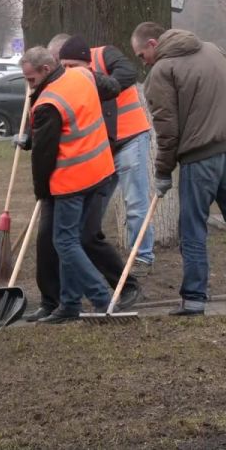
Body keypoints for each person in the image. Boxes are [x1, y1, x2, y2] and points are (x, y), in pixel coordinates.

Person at [131, 22, 226, 316]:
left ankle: (194, 298)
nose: (144, 62)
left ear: (153, 44)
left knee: (192, 230)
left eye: (142, 55)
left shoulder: (162, 72)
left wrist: (163, 172)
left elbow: (168, 131)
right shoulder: (214, 51)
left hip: (198, 160)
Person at [21, 37, 141, 322]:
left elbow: (43, 155)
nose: (29, 84)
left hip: (71, 180)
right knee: (74, 239)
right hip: (99, 172)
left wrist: (41, 191)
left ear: (47, 68)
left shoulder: (48, 103)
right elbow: (111, 88)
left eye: (31, 78)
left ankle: (102, 299)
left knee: (64, 242)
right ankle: (69, 305)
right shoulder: (83, 75)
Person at [50, 34, 156, 274]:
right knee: (95, 206)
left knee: (135, 202)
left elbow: (128, 73)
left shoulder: (103, 54)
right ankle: (89, 252)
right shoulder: (64, 79)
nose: (65, 70)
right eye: (60, 64)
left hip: (130, 137)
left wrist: (102, 85)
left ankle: (142, 257)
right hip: (103, 147)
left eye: (67, 63)